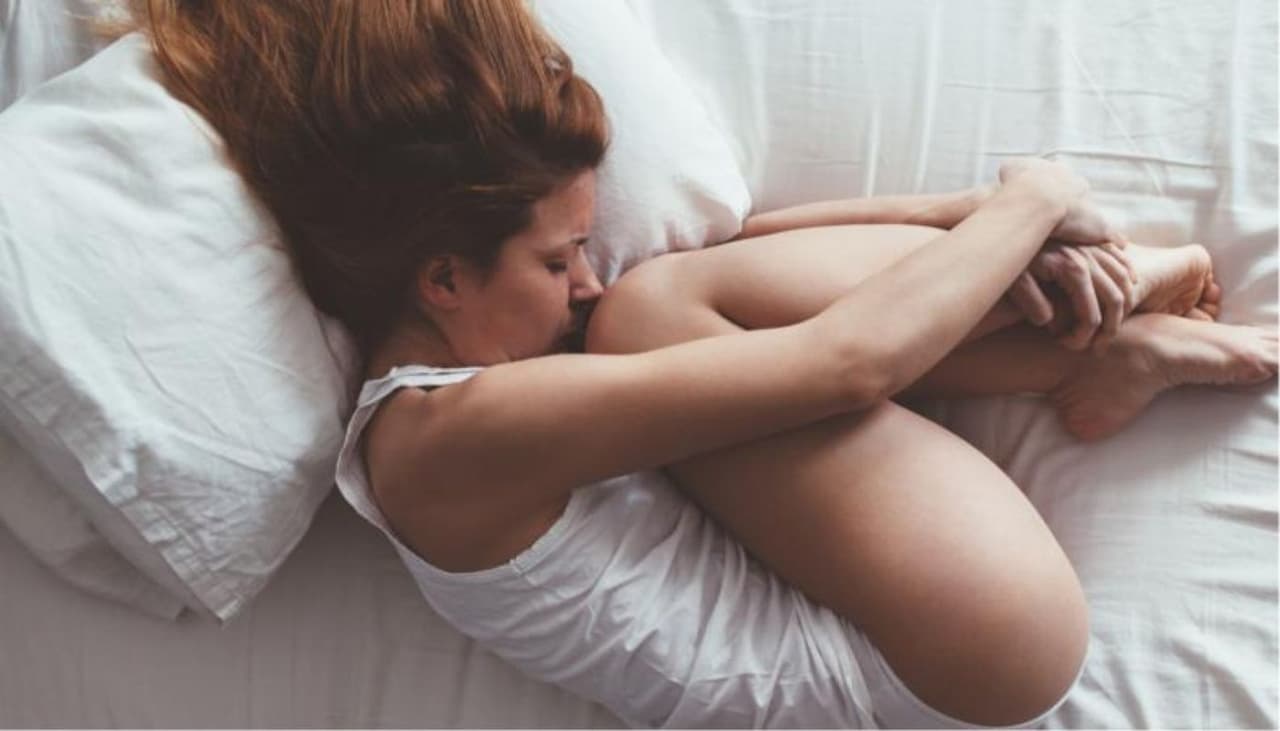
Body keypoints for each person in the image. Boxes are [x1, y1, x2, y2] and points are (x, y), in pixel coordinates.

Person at [128, 0, 1277, 727]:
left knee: (663, 296)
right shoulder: (448, 440)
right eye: (556, 257)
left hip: (942, 614)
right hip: (961, 657)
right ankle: (1096, 312)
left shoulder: (487, 379)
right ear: (439, 278)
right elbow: (843, 363)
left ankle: (1100, 350)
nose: (581, 280)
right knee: (652, 307)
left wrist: (966, 214)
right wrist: (1033, 195)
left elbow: (752, 265)